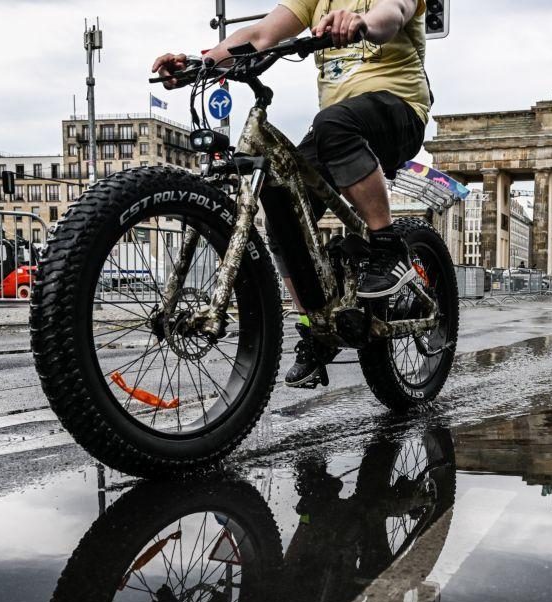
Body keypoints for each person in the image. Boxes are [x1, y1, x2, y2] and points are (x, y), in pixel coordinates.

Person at [154, 0, 431, 388]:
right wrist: (200, 63)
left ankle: (388, 249)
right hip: (338, 128)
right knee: (283, 203)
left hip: (399, 109)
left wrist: (361, 23)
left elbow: (393, 15)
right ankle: (318, 327)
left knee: (332, 124)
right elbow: (260, 35)